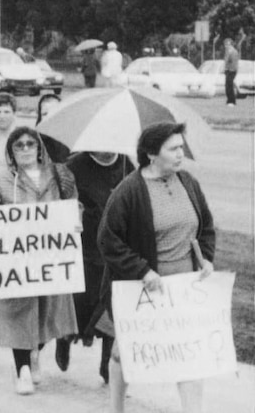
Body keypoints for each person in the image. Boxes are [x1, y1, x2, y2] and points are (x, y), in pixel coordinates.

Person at [97, 122, 215, 413]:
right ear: (151, 154)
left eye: (181, 147)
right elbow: (108, 240)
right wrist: (142, 271)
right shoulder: (129, 191)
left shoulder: (188, 182)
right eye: (173, 149)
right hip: (144, 288)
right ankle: (116, 407)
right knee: (123, 353)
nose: (180, 154)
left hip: (184, 289)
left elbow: (206, 227)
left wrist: (206, 258)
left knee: (189, 354)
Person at [0, 127, 78, 395]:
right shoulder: (2, 177)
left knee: (47, 312)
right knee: (17, 313)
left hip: (50, 259)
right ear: (11, 151)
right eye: (18, 146)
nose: (25, 149)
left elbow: (73, 203)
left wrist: (75, 221)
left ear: (39, 148)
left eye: (29, 144)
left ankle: (35, 350)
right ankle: (22, 368)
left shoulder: (59, 174)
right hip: (16, 261)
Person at [60, 150, 134, 383]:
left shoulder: (125, 164)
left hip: (114, 245)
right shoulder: (75, 165)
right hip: (83, 245)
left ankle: (107, 364)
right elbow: (60, 198)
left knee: (112, 305)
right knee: (81, 302)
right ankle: (65, 337)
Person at [35, 94, 70, 164]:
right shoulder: (35, 144)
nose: (49, 117)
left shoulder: (72, 142)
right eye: (45, 114)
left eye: (54, 112)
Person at [223, 38, 239, 107]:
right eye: (225, 44)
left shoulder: (233, 51)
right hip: (228, 70)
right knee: (227, 86)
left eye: (228, 44)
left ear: (231, 45)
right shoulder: (228, 51)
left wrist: (229, 69)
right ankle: (229, 100)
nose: (226, 46)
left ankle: (232, 101)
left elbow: (233, 63)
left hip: (232, 71)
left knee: (229, 86)